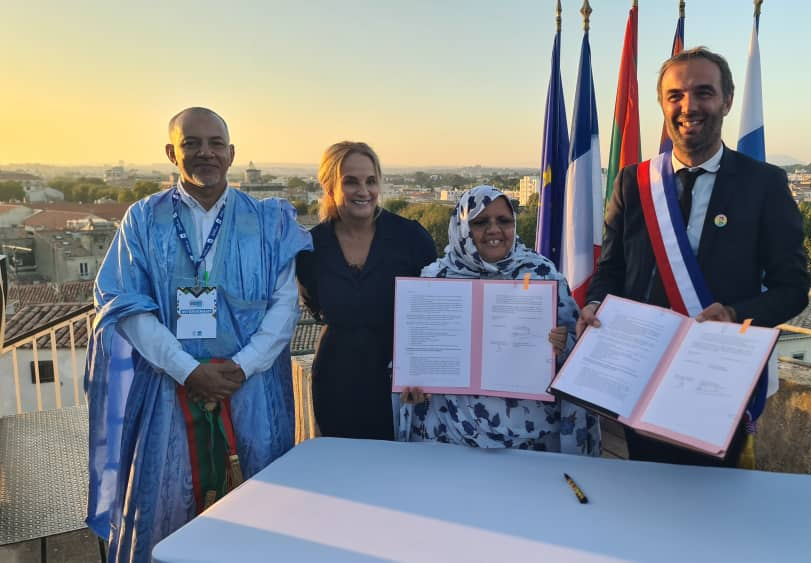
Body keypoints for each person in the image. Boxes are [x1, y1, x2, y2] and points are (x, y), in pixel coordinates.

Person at [85, 107, 312, 561]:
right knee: (164, 510)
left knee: (259, 511)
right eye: (192, 143)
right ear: (172, 152)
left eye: (215, 143)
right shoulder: (142, 220)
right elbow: (126, 305)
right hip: (169, 393)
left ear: (231, 154)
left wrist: (242, 367)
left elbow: (286, 304)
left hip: (252, 392)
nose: (205, 152)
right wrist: (189, 371)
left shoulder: (269, 222)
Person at [577, 47, 808, 467]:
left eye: (704, 93)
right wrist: (595, 301)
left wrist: (736, 314)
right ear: (663, 104)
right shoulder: (634, 182)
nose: (689, 107)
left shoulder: (765, 185)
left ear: (727, 101)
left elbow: (792, 290)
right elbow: (610, 270)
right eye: (676, 96)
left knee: (713, 507)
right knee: (647, 495)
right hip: (640, 379)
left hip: (717, 384)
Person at [398, 185, 601, 455]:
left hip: (532, 439)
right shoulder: (435, 279)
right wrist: (413, 384)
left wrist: (563, 343)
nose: (494, 229)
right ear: (462, 227)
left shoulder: (542, 274)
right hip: (451, 434)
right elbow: (415, 357)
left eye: (504, 221)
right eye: (481, 222)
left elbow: (579, 352)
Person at [296, 141, 437, 440]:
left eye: (371, 181)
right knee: (344, 471)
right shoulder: (311, 247)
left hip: (400, 381)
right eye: (351, 181)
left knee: (399, 474)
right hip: (336, 379)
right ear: (328, 185)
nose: (364, 191)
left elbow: (434, 310)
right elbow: (315, 304)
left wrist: (423, 370)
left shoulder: (411, 238)